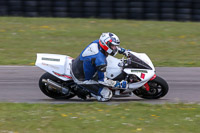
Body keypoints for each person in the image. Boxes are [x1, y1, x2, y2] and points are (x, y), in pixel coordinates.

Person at [71, 32, 129, 101]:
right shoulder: (100, 60)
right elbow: (103, 81)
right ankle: (84, 90)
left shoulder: (98, 43)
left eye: (115, 46)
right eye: (113, 46)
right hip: (82, 79)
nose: (114, 48)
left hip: (82, 66)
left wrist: (123, 51)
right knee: (107, 95)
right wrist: (119, 84)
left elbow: (111, 48)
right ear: (106, 44)